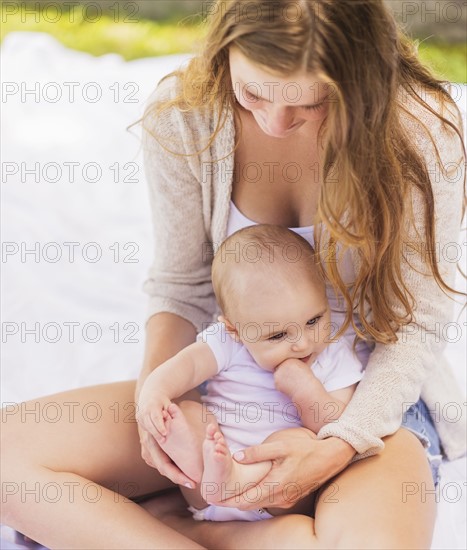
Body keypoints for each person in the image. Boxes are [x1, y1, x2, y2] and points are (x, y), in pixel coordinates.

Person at [1, 1, 465, 548]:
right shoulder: (186, 114)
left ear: (361, 79)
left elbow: (420, 321)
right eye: (252, 94)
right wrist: (167, 408)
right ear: (226, 54)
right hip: (229, 386)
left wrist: (337, 444)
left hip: (365, 407)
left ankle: (172, 527)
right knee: (10, 460)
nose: (274, 122)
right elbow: (184, 285)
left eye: (312, 102)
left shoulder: (417, 133)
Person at [136, 224, 364, 522]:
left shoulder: (334, 354)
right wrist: (155, 391)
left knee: (298, 439)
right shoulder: (229, 343)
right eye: (277, 335)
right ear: (235, 329)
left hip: (280, 495)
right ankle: (196, 463)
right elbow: (186, 366)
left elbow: (335, 426)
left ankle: (234, 476)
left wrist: (306, 391)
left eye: (313, 320)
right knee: (189, 411)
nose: (303, 343)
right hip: (204, 483)